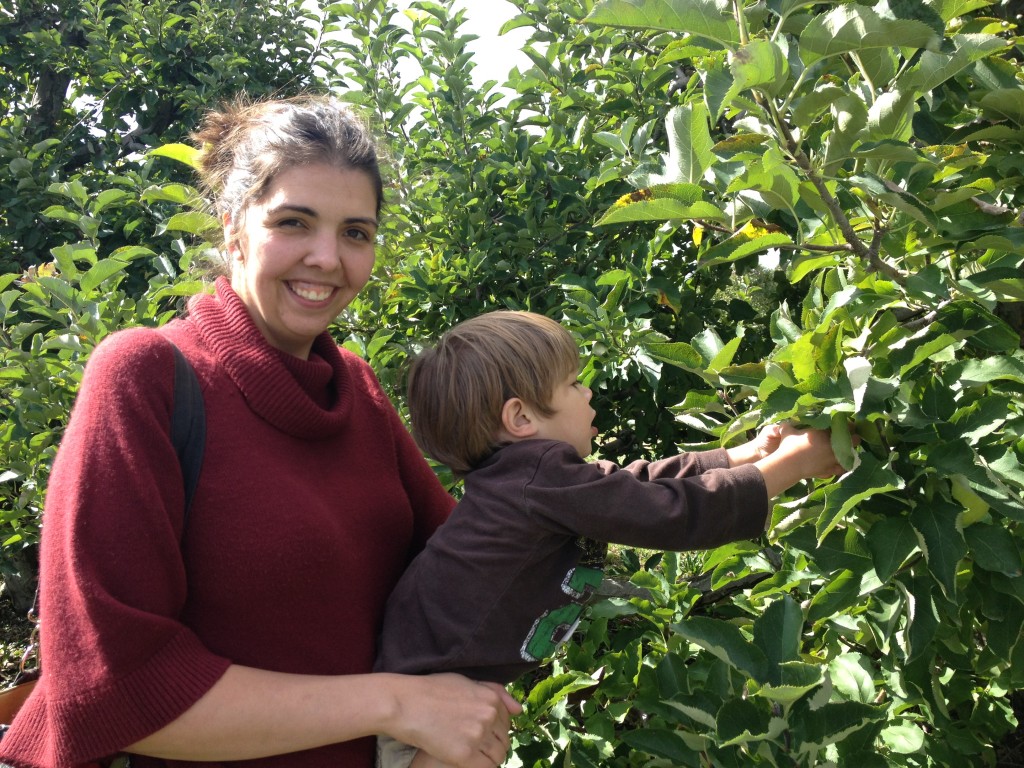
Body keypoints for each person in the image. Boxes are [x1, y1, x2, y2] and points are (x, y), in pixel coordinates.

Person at [0, 94, 519, 768]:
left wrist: (581, 485)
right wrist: (396, 705)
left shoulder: (355, 391)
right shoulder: (147, 375)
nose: (327, 258)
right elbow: (113, 690)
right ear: (232, 230)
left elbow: (461, 571)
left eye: (356, 232)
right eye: (294, 222)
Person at [374, 310, 848, 768]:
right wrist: (793, 464)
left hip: (432, 695)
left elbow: (633, 483)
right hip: (426, 712)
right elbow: (667, 513)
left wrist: (742, 455)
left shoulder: (529, 481)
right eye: (574, 383)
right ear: (521, 418)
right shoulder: (534, 479)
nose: (588, 391)